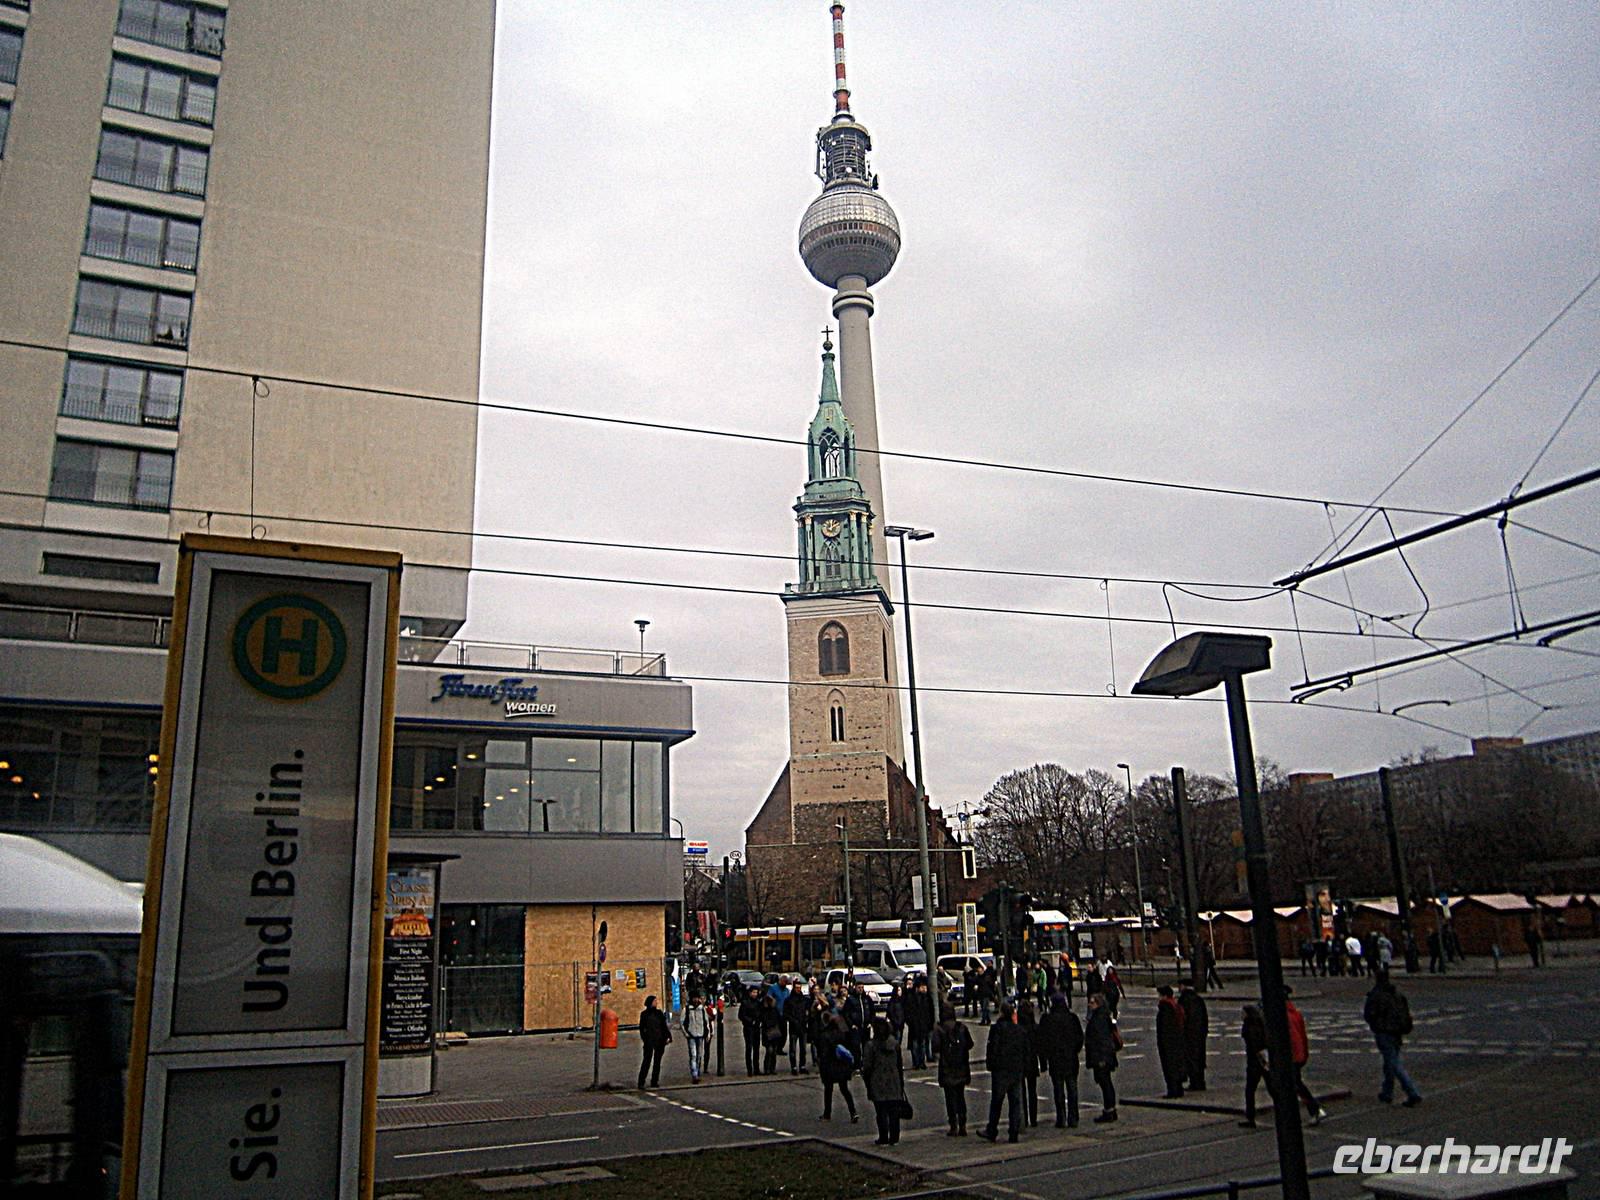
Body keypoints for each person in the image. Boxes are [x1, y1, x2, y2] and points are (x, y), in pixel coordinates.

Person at [1363, 969, 1422, 1107]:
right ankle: (1387, 1092)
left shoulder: (1376, 995)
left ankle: (1412, 1092)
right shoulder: (1396, 994)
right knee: (1389, 1061)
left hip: (1384, 1031)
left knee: (1393, 1062)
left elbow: (1369, 1014)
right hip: (1397, 1031)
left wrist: (1375, 1025)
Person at [979, 1000, 1029, 1143]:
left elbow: (992, 1049)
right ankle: (1013, 1132)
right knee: (1015, 1102)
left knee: (997, 1102)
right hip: (1016, 1069)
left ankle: (992, 1130)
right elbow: (1026, 1050)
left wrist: (991, 1065)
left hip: (1001, 1070)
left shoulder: (997, 1029)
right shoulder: (1019, 1030)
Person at [1037, 993, 1083, 1128]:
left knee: (1058, 1090)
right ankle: (1073, 1117)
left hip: (1055, 1059)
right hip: (1070, 1058)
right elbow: (1079, 1038)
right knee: (1072, 1088)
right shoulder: (1072, 1018)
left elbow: (1042, 1041)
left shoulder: (1048, 1019)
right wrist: (1074, 1050)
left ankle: (1061, 1117)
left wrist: (1045, 1058)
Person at [862, 1016, 908, 1146]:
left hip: (878, 1081)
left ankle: (883, 1137)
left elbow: (867, 1066)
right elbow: (899, 1064)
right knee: (894, 1111)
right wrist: (901, 1082)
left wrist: (867, 1082)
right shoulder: (895, 1044)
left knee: (881, 1111)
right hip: (894, 1081)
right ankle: (894, 1137)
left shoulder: (871, 1046)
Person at [1283, 987, 1327, 1124]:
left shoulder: (1283, 1016)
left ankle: (1314, 1109)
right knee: (1294, 1083)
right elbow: (1303, 1036)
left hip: (1291, 1056)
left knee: (1294, 1084)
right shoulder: (1296, 1014)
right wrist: (1304, 1053)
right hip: (1299, 1054)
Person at [932, 1002, 974, 1136]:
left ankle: (953, 1125)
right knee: (960, 1096)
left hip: (947, 1067)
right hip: (961, 1065)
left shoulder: (939, 1029)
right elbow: (970, 1044)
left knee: (950, 1098)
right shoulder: (961, 1027)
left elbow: (935, 1047)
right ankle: (963, 1124)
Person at [817, 1011, 861, 1122]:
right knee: (845, 1089)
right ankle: (853, 1112)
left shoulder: (824, 1035)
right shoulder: (841, 1033)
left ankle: (827, 1114)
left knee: (828, 1090)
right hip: (841, 1066)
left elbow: (823, 1053)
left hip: (829, 1065)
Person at [1084, 991, 1119, 1123]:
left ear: (1098, 1004)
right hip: (1105, 1055)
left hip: (1101, 1057)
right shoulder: (1103, 1016)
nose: (1089, 1004)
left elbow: (1100, 1039)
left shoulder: (1098, 1019)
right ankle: (1111, 1109)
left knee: (1105, 1083)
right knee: (1106, 1083)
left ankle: (1109, 1110)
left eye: (1092, 1002)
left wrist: (1100, 1059)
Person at [1238, 1003, 1273, 1128]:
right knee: (1271, 1088)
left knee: (1250, 1090)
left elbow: (1255, 1045)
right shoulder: (1258, 1024)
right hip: (1261, 1061)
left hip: (1255, 1062)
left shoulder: (1250, 1027)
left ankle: (1250, 1117)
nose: (1241, 1015)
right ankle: (1283, 1110)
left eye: (1243, 1012)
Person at [1155, 985, 1187, 1098]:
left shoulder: (1165, 1008)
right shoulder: (1175, 1005)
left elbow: (1164, 1028)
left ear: (1164, 996)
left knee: (1169, 1067)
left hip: (1168, 1043)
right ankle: (1178, 1088)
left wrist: (1162, 1042)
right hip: (1177, 1041)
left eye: (1159, 995)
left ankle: (1172, 1090)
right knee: (1176, 1066)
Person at [1178, 982, 1208, 1091]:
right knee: (1199, 1058)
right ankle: (1200, 1081)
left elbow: (1181, 1017)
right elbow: (1204, 1018)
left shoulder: (1184, 1000)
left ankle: (1194, 1082)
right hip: (1199, 1034)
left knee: (1190, 1059)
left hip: (1188, 1034)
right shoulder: (1198, 999)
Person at [637, 994, 671, 1089]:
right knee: (646, 1061)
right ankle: (641, 1082)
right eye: (654, 1001)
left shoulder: (659, 1013)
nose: (656, 1002)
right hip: (649, 1041)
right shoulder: (644, 1014)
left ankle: (654, 1081)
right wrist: (645, 1039)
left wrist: (668, 1036)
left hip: (659, 1040)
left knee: (657, 1062)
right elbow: (642, 1028)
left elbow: (664, 1026)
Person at [1018, 999, 1041, 1126]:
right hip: (1032, 1061)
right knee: (1032, 1091)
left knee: (1022, 1091)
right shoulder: (1034, 1028)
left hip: (1021, 1062)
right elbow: (1039, 1046)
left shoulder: (1018, 1029)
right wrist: (1043, 1062)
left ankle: (1024, 1118)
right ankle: (1033, 1118)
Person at [905, 976, 936, 1070]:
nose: (925, 989)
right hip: (914, 1027)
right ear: (918, 988)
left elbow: (931, 1012)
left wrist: (930, 1024)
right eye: (923, 987)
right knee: (915, 1045)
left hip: (924, 1026)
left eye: (925, 987)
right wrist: (911, 1023)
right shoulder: (911, 998)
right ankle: (916, 1063)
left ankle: (921, 1062)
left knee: (922, 1045)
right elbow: (908, 1012)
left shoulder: (927, 998)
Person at [681, 991, 710, 1084]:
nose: (696, 1000)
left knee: (699, 1055)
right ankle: (694, 1074)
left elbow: (706, 1022)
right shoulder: (687, 1009)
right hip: (691, 1035)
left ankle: (697, 1071)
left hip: (700, 1035)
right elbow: (682, 1023)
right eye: (694, 998)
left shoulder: (702, 1009)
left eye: (697, 998)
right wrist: (686, 1033)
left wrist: (707, 1033)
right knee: (693, 1055)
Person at [784, 983, 811, 1074]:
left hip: (803, 1027)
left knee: (803, 1049)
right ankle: (794, 1067)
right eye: (796, 988)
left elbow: (808, 1012)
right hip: (793, 1028)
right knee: (793, 1049)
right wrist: (793, 1021)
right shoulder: (788, 1000)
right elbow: (786, 1013)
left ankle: (802, 1066)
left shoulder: (804, 1000)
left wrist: (806, 1019)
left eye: (799, 988)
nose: (798, 989)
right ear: (793, 988)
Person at [738, 985, 763, 1077]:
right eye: (753, 992)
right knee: (749, 1048)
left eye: (756, 992)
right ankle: (749, 1069)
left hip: (757, 1027)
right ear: (750, 993)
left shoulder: (758, 1002)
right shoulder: (745, 1002)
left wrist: (759, 1021)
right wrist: (750, 1021)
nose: (755, 994)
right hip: (748, 1028)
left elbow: (761, 1013)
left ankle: (756, 1068)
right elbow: (741, 1015)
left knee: (756, 1048)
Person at [760, 991, 787, 1075]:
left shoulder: (774, 1010)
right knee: (770, 1050)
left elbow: (779, 1019)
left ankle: (771, 1068)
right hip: (768, 1031)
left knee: (773, 1051)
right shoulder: (765, 1010)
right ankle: (768, 1068)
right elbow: (764, 1020)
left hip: (774, 1031)